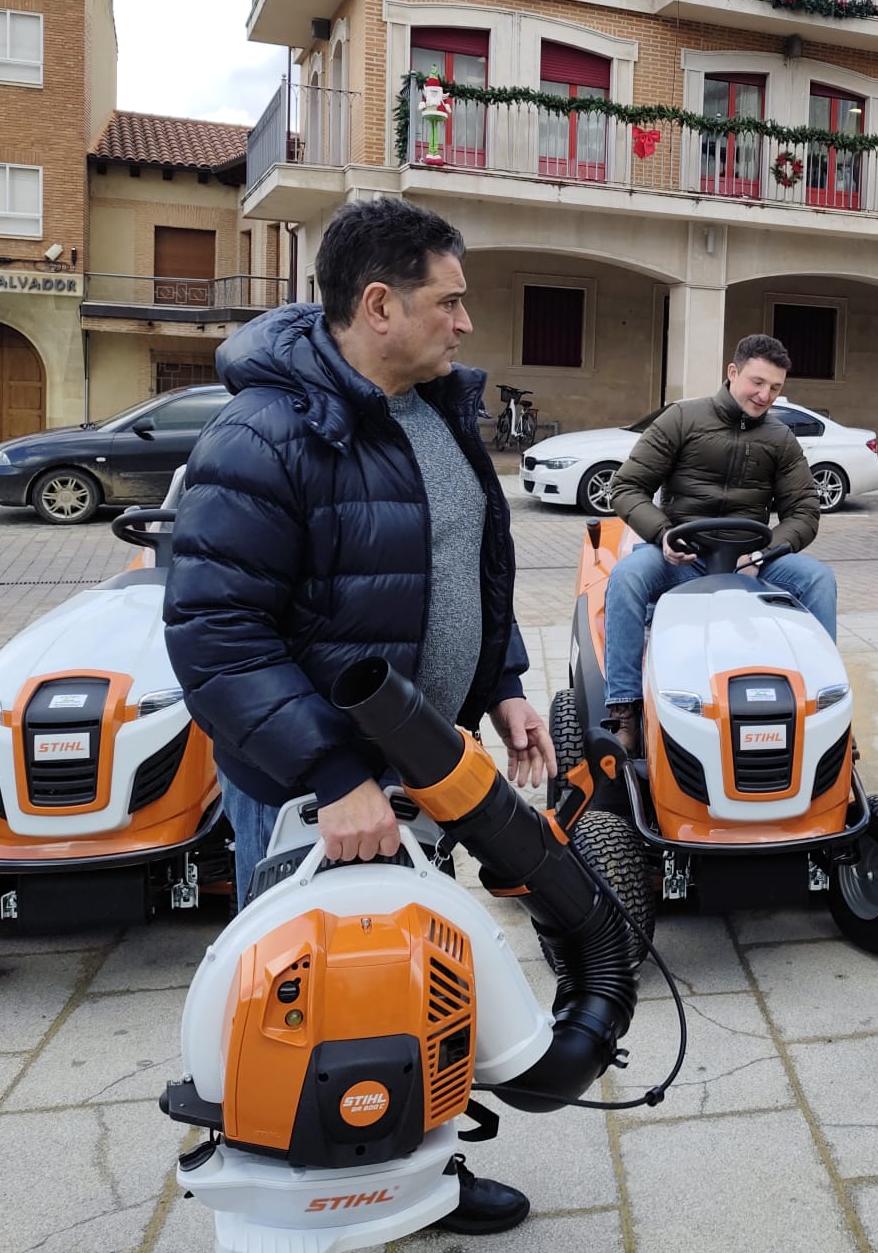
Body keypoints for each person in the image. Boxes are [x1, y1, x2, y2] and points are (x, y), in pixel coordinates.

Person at [162, 197, 554, 1238]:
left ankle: (419, 1177)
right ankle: (286, 1202)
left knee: (422, 991)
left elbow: (467, 575)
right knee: (297, 1011)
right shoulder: (265, 435)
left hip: (431, 767)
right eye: (448, 301)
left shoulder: (432, 411)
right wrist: (333, 778)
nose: (465, 324)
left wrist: (506, 680)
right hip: (314, 792)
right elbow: (217, 634)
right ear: (377, 305)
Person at [600, 334, 835, 751]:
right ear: (733, 372)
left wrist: (764, 553)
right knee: (627, 576)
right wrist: (663, 534)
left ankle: (825, 708)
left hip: (751, 559)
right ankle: (625, 708)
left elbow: (804, 513)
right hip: (681, 555)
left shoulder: (780, 439)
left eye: (775, 388)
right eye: (757, 383)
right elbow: (627, 487)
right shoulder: (681, 419)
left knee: (818, 579)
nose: (764, 396)